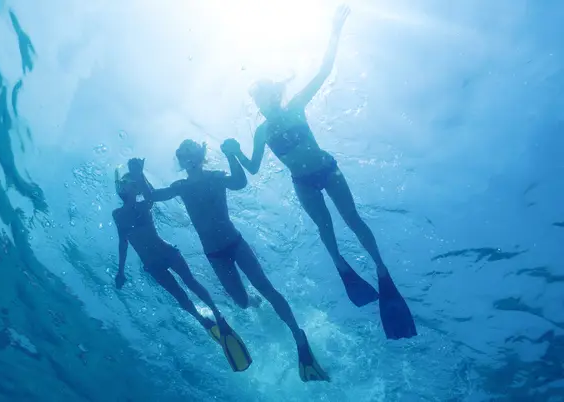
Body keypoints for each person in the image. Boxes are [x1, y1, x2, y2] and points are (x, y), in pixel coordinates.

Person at [221, 5, 417, 340]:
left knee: (352, 219)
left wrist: (334, 33)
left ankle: (382, 269)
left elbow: (325, 69)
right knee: (325, 228)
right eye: (257, 101)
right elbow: (253, 169)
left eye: (264, 97)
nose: (261, 104)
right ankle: (341, 266)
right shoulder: (261, 132)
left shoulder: (297, 105)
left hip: (327, 169)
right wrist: (235, 152)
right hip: (303, 183)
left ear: (275, 95)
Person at [130, 142, 328, 382]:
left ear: (200, 155)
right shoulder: (180, 186)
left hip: (235, 243)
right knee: (242, 302)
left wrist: (231, 155)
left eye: (191, 151)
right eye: (183, 154)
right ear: (181, 160)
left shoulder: (215, 176)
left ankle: (298, 336)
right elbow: (152, 196)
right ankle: (254, 303)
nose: (188, 157)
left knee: (265, 286)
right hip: (215, 254)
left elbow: (239, 183)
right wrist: (139, 174)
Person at [112, 162, 251, 372]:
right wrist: (120, 271)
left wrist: (140, 174)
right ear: (122, 188)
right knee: (180, 296)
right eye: (128, 183)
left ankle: (218, 316)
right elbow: (123, 243)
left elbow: (151, 196)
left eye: (133, 184)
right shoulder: (118, 215)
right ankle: (203, 320)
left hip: (168, 252)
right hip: (151, 264)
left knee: (191, 283)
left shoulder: (143, 205)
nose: (132, 187)